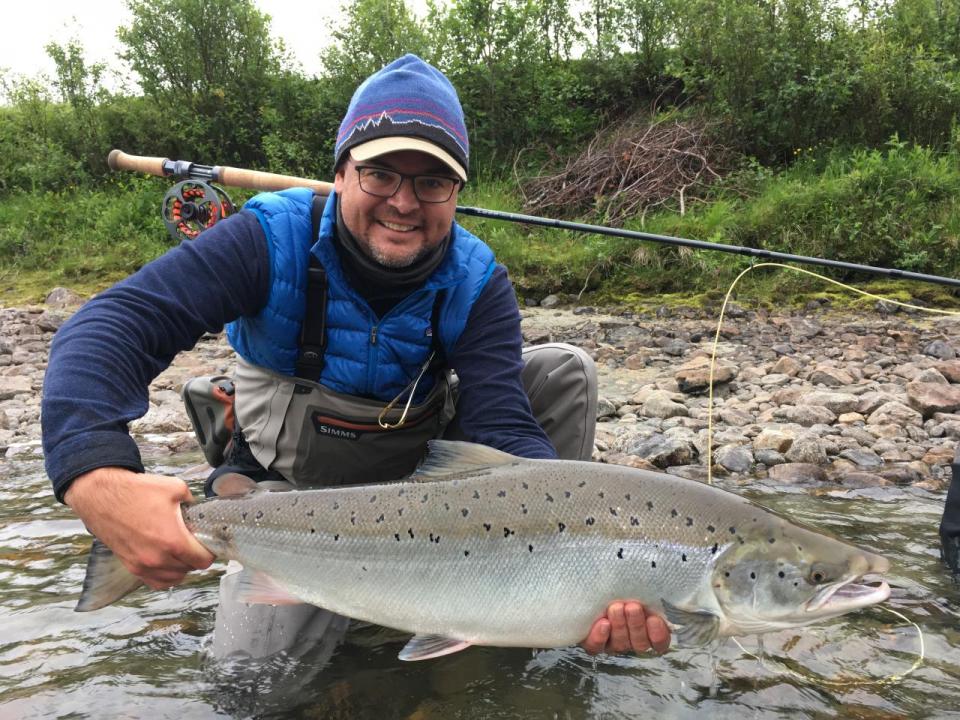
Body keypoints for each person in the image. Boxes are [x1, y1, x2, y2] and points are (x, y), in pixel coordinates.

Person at [41, 54, 670, 662]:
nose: (403, 202)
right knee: (256, 687)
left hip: (423, 490)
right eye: (380, 174)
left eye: (431, 180)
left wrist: (582, 570)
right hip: (288, 495)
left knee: (562, 370)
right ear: (341, 172)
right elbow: (111, 326)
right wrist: (97, 475)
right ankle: (234, 468)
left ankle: (502, 600)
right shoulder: (268, 239)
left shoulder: (477, 282)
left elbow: (502, 426)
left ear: (455, 190)